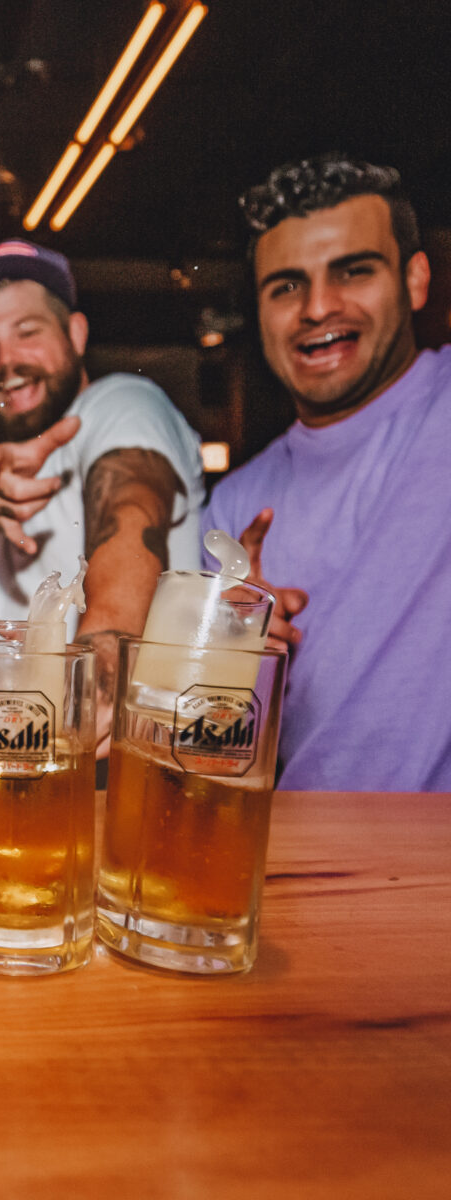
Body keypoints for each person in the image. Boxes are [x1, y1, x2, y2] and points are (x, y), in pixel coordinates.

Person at [203, 152, 451, 791]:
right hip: (298, 866)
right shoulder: (235, 510)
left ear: (415, 279)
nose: (317, 307)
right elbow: (210, 753)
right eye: (286, 285)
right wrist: (231, 664)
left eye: (354, 271)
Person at [0, 239, 204, 742]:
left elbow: (130, 514)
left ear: (76, 334)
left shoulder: (122, 404)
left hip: (99, 758)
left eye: (27, 332)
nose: (7, 362)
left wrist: (98, 673)